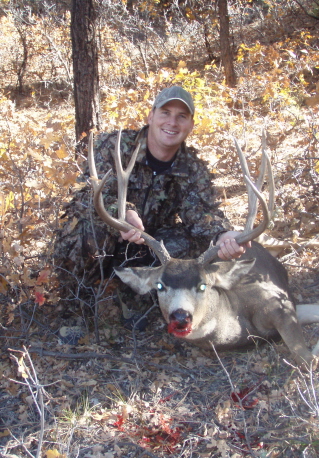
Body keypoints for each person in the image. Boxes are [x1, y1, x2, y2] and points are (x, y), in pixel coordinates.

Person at [54, 86, 250, 322]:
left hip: (145, 247)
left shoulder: (192, 167)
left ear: (190, 125)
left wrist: (222, 234)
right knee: (87, 230)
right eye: (165, 113)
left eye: (181, 116)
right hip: (105, 239)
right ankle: (74, 310)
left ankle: (132, 297)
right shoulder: (114, 145)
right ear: (151, 116)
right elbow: (89, 194)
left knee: (190, 243)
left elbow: (201, 212)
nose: (172, 122)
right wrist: (123, 213)